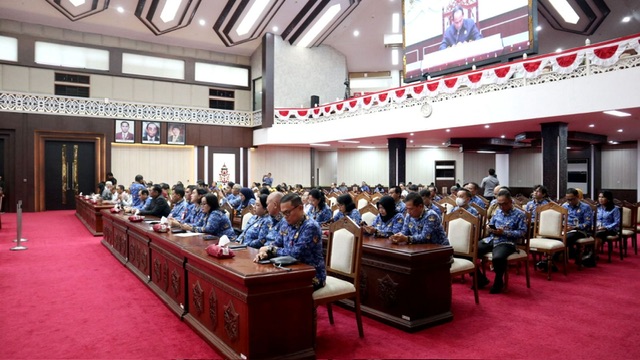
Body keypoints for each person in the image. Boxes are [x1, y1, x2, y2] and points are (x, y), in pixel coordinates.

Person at [254, 193, 326, 291]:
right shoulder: (285, 222)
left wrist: (271, 249)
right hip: (288, 270)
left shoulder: (310, 226)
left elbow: (295, 254)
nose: (285, 216)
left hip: (311, 275)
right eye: (283, 213)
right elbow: (277, 242)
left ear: (300, 208)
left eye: (287, 212)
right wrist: (265, 251)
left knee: (275, 290)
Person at [476, 189, 527, 294]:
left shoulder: (520, 214)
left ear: (511, 202)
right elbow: (491, 224)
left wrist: (505, 232)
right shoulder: (497, 212)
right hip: (492, 238)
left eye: (504, 204)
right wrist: (489, 228)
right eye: (499, 204)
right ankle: (480, 279)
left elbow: (522, 232)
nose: (501, 207)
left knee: (498, 257)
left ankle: (499, 281)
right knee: (470, 251)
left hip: (507, 241)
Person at [538, 188, 593, 271]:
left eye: (572, 199)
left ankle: (549, 261)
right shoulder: (564, 206)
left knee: (566, 238)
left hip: (580, 231)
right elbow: (560, 219)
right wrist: (562, 226)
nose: (570, 202)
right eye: (568, 199)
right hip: (566, 229)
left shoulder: (585, 207)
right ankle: (551, 260)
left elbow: (588, 223)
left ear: (577, 197)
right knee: (550, 237)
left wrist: (575, 227)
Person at [595, 190, 621, 257]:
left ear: (608, 199)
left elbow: (617, 222)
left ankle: (593, 254)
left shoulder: (615, 209)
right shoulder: (597, 208)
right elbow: (593, 218)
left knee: (598, 234)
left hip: (610, 229)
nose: (600, 199)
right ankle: (590, 253)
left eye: (603, 197)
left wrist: (606, 227)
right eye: (599, 197)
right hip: (598, 228)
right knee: (590, 233)